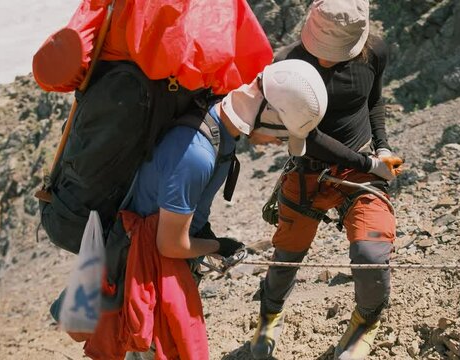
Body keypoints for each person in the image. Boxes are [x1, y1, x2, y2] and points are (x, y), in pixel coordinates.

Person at [82, 59, 328, 360]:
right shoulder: (196, 155)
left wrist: (208, 240)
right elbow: (170, 244)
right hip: (147, 266)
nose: (279, 143)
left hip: (154, 257)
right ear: (267, 113)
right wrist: (218, 246)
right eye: (282, 134)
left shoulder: (217, 125)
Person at [249, 1, 403, 359]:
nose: (325, 60)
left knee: (370, 252)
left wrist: (382, 146)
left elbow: (373, 100)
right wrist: (370, 161)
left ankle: (366, 321)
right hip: (310, 171)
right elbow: (310, 136)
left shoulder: (374, 51)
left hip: (362, 167)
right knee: (287, 254)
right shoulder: (290, 68)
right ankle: (270, 314)